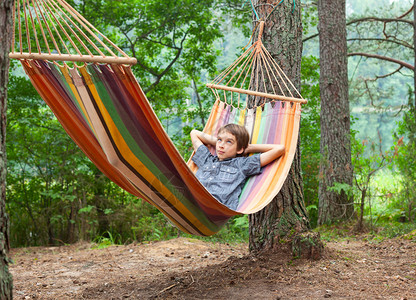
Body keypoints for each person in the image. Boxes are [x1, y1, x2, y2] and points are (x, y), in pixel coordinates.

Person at [190, 124, 285, 210]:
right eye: (219, 140)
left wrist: (250, 148)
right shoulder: (207, 159)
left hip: (214, 208)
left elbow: (279, 149)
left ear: (240, 149)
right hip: (191, 200)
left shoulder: (241, 164)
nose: (221, 145)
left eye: (229, 142)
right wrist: (220, 143)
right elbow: (194, 133)